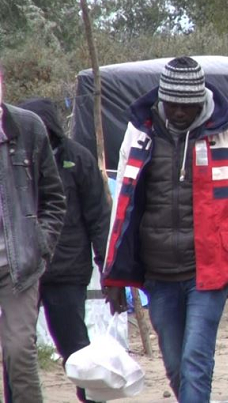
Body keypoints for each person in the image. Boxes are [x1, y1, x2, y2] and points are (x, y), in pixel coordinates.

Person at [101, 57, 228, 402]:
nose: (180, 111)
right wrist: (114, 274)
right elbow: (122, 205)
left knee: (196, 360)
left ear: (201, 99)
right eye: (173, 104)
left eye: (188, 104)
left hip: (210, 270)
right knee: (175, 365)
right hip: (158, 272)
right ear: (162, 99)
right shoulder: (140, 133)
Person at [19, 98, 110, 403]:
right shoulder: (14, 160)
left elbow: (98, 216)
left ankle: (91, 399)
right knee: (17, 348)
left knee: (75, 346)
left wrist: (107, 267)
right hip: (23, 271)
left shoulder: (78, 159)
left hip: (67, 270)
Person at [0, 69, 67, 403]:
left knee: (18, 353)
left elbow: (55, 198)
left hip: (18, 265)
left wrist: (41, 243)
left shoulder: (28, 127)